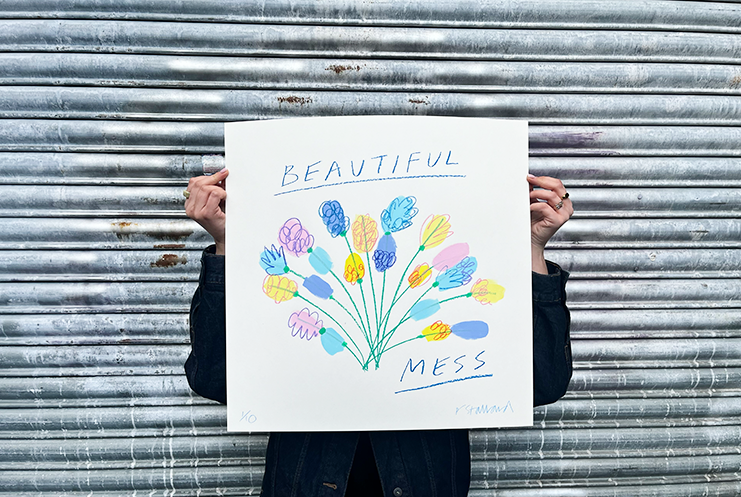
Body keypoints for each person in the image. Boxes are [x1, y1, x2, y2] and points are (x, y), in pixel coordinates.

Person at [183, 168, 573, 496]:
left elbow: (544, 383)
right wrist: (226, 245)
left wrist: (532, 247)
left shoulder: (425, 290)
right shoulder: (302, 291)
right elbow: (214, 379)